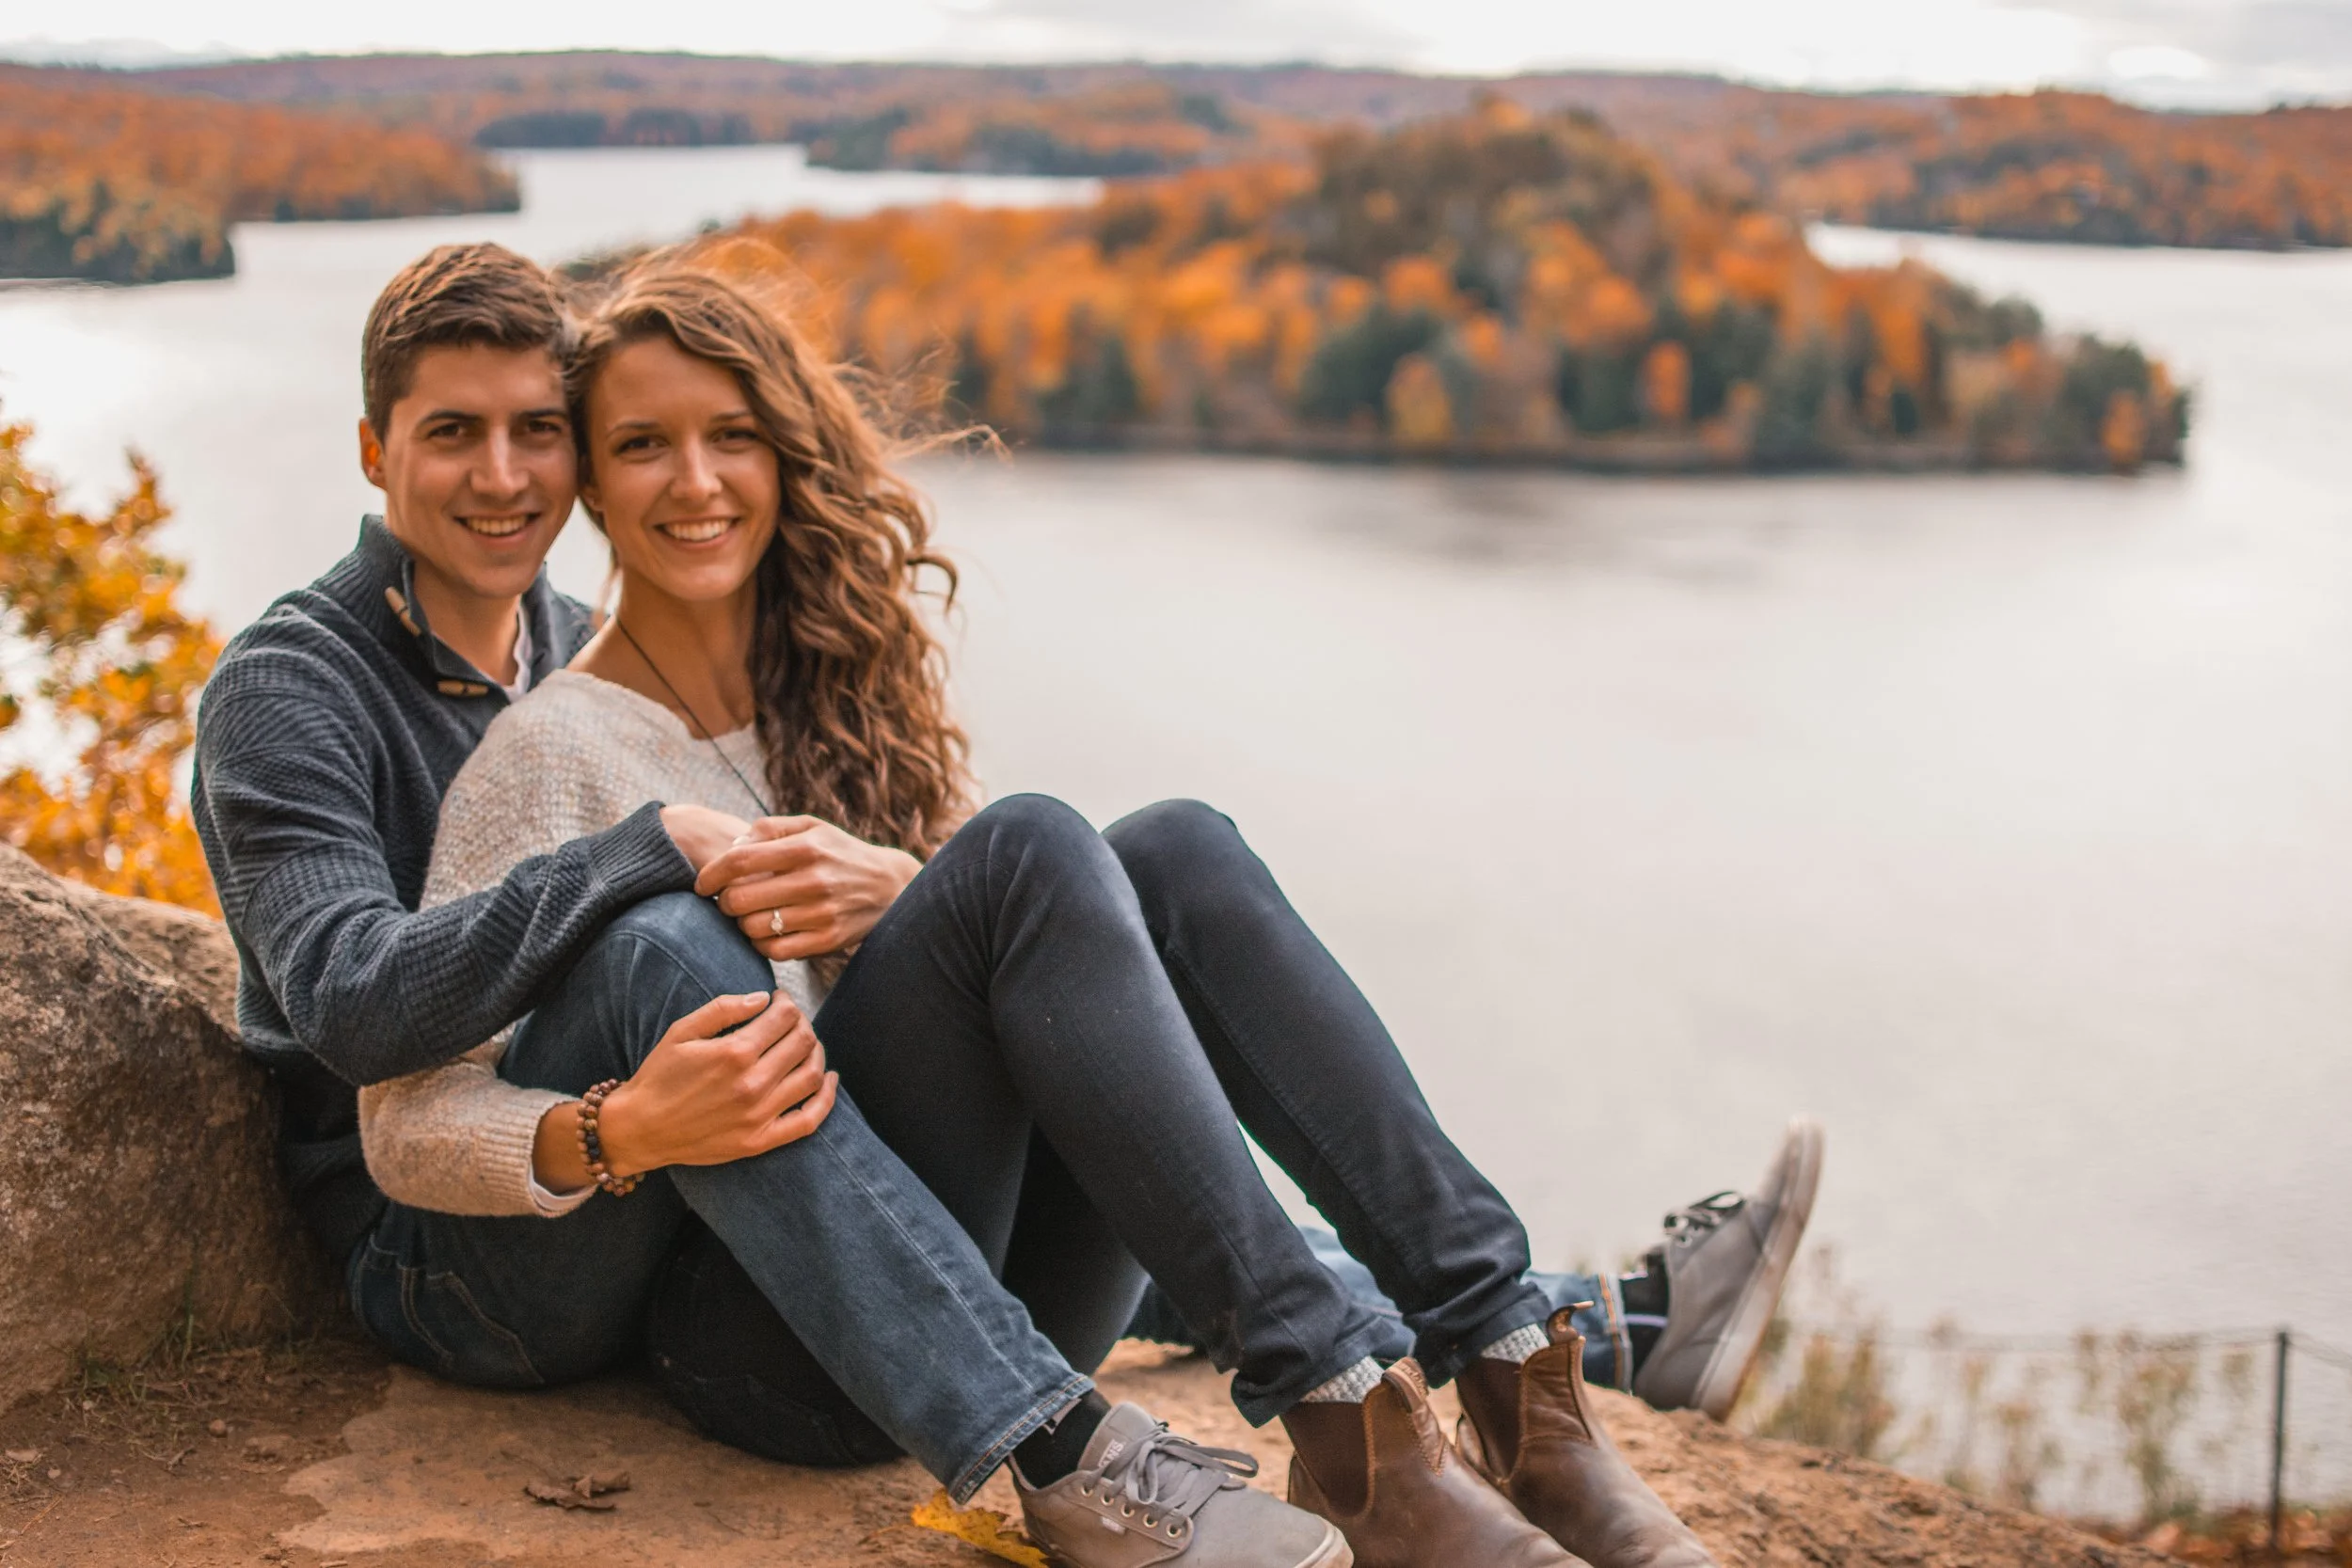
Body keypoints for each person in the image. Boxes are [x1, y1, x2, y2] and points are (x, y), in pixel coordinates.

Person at [338, 243, 1823, 1568]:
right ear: (590, 483)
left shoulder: (835, 701)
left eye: (735, 436)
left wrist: (898, 903)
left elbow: (1019, 1005)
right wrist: (617, 1129)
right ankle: (1363, 1425)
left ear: (791, 457)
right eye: (643, 446)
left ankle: (1513, 1384)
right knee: (1041, 845)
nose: (698, 480)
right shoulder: (553, 755)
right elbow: (406, 1120)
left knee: (1173, 849)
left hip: (999, 1289)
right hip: (774, 1342)